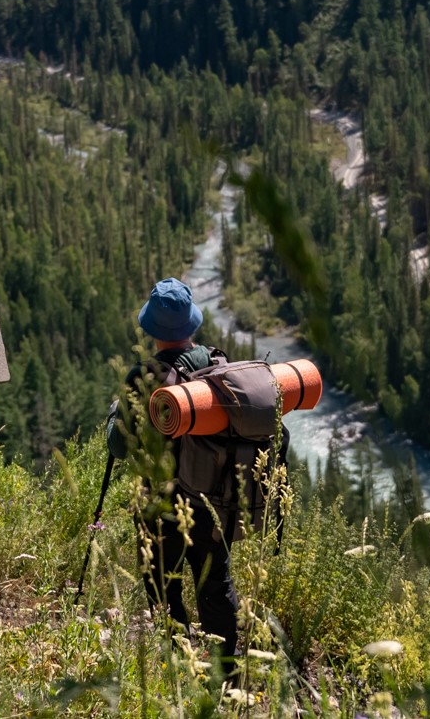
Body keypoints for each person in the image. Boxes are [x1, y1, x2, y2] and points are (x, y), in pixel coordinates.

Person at [106, 277, 241, 674]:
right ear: (191, 324)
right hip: (215, 498)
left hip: (161, 502)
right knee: (216, 584)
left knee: (164, 586)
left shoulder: (144, 375)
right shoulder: (218, 363)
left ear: (151, 329)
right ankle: (228, 676)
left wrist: (117, 414)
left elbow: (119, 446)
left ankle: (181, 671)